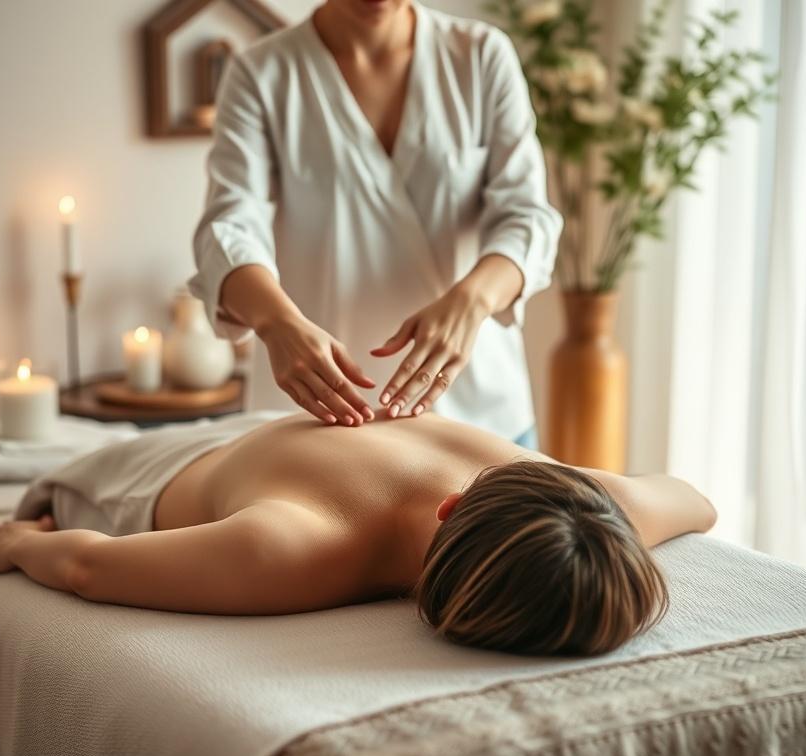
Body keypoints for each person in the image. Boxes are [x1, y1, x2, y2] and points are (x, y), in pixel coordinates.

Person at [0, 411, 717, 655]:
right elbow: (90, 562)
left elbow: (692, 499)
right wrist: (21, 542)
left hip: (292, 441)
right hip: (161, 468)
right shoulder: (295, 546)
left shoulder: (588, 500)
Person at [188, 0, 564, 448]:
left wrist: (473, 299)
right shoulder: (261, 72)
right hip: (323, 420)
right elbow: (229, 225)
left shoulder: (481, 55)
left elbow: (527, 215)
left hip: (482, 412)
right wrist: (275, 322)